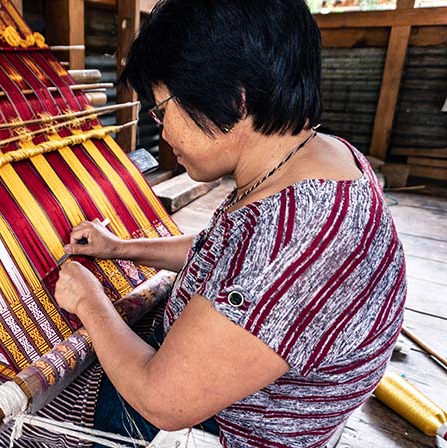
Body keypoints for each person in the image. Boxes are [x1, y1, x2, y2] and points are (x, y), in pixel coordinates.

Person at [54, 0, 407, 446]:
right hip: (246, 389)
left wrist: (89, 302)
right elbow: (224, 249)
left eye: (163, 110)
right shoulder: (313, 157)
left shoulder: (299, 242)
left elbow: (162, 400)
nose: (161, 132)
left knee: (61, 406)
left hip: (236, 427)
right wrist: (120, 248)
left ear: (233, 97)